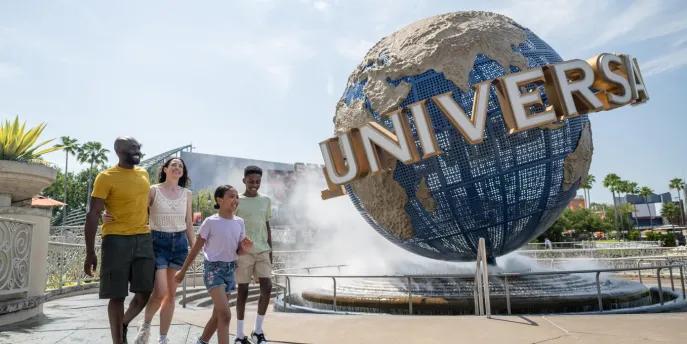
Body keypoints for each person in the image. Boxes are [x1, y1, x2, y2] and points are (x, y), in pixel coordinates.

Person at [83, 137, 154, 344]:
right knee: (117, 296)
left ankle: (122, 323)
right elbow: (93, 213)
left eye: (139, 147)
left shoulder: (143, 173)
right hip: (116, 241)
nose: (137, 151)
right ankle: (118, 341)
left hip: (143, 238)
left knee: (145, 292)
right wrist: (90, 251)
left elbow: (143, 203)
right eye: (133, 147)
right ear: (119, 150)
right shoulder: (106, 177)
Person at [175, 185, 253, 344]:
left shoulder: (240, 222)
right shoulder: (210, 222)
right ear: (220, 199)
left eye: (237, 197)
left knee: (217, 315)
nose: (235, 200)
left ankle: (202, 341)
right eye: (231, 196)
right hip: (213, 271)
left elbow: (238, 251)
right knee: (225, 314)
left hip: (230, 270)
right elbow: (196, 249)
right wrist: (183, 271)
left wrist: (244, 249)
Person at [129, 158, 195, 344]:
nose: (177, 167)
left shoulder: (187, 194)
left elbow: (189, 223)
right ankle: (145, 327)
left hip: (180, 244)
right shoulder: (153, 190)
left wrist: (194, 249)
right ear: (165, 169)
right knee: (160, 292)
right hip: (157, 243)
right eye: (173, 165)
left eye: (181, 166)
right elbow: (138, 212)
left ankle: (163, 338)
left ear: (183, 172)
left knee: (171, 295)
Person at [235, 166, 273, 344]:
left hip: (263, 251)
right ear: (244, 181)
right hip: (243, 253)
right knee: (242, 291)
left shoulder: (266, 200)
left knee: (267, 288)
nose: (254, 184)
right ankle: (239, 335)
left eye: (257, 181)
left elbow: (267, 227)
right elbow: (232, 226)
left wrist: (271, 251)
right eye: (251, 181)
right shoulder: (237, 201)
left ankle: (257, 331)